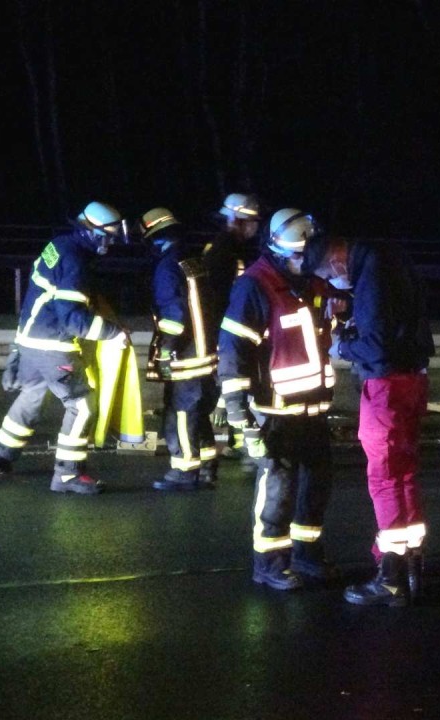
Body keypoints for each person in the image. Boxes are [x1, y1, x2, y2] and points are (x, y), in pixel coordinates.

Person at [302, 233, 435, 607]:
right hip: (411, 380)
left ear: (336, 259)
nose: (334, 281)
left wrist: (341, 345)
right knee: (405, 472)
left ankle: (390, 577)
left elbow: (376, 344)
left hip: (385, 386)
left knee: (384, 477)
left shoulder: (371, 273)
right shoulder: (391, 258)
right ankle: (411, 563)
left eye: (330, 274)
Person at [217, 207, 338, 590]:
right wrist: (239, 413)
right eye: (302, 255)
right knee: (278, 489)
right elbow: (234, 351)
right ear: (280, 250)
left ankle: (307, 554)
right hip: (275, 410)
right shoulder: (255, 285)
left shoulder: (314, 284)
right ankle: (269, 563)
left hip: (313, 408)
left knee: (316, 485)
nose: (310, 262)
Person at [0, 201, 131, 494]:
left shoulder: (58, 245)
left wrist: (16, 348)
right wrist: (114, 333)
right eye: (108, 236)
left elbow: (34, 296)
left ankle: (1, 453)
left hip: (29, 341)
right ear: (93, 233)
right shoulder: (75, 262)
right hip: (53, 346)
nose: (110, 243)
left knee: (32, 394)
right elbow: (74, 320)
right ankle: (68, 474)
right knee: (81, 405)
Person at [140, 207, 220, 491]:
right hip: (206, 354)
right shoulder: (193, 259)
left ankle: (184, 473)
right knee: (198, 413)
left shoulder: (167, 267)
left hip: (186, 358)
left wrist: (164, 351)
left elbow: (173, 319)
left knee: (181, 414)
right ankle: (208, 466)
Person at [205, 193, 264, 458]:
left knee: (236, 381)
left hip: (228, 326)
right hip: (226, 328)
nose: (255, 227)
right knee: (233, 380)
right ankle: (233, 441)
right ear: (238, 221)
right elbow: (218, 297)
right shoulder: (223, 252)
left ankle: (235, 441)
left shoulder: (232, 249)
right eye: (251, 221)